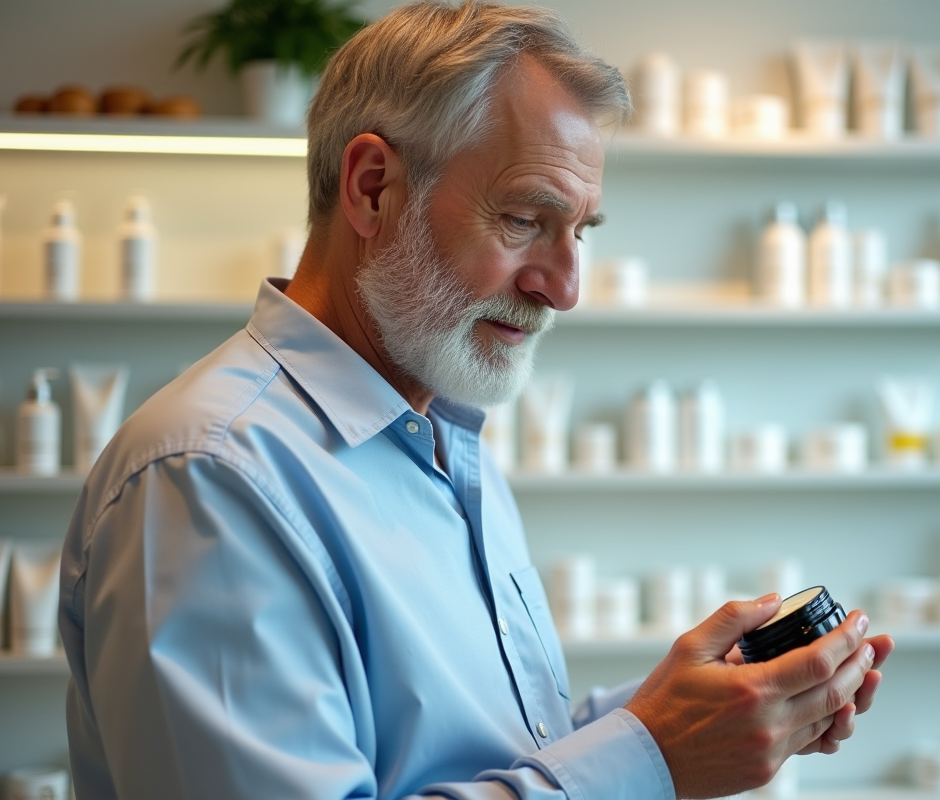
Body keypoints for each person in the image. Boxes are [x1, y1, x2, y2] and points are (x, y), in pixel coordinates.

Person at [58, 3, 894, 798]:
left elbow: (484, 755)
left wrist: (682, 717)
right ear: (375, 188)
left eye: (582, 232)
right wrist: (652, 759)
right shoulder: (209, 479)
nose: (564, 288)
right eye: (527, 219)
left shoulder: (442, 442)